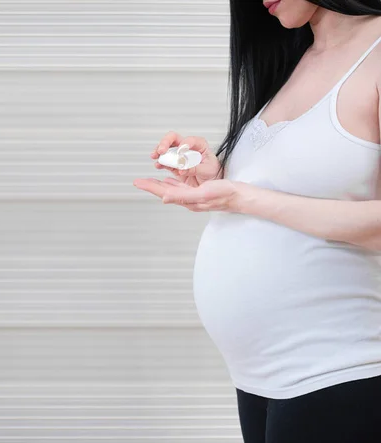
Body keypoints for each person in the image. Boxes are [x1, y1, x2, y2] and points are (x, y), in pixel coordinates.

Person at [133, 1, 381, 442]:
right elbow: (303, 184)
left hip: (340, 368)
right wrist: (217, 176)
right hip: (260, 377)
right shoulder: (299, 57)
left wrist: (244, 197)